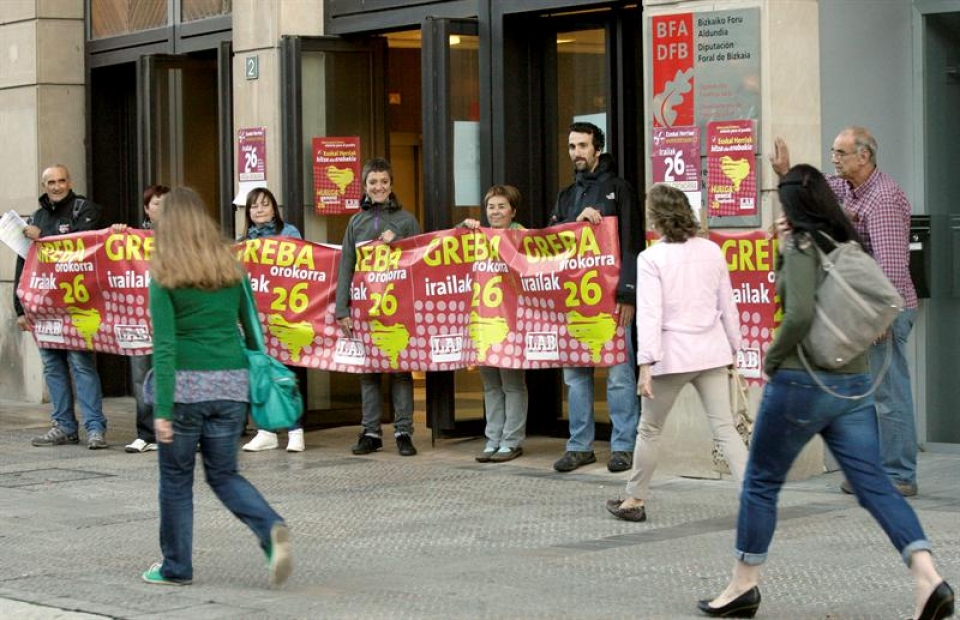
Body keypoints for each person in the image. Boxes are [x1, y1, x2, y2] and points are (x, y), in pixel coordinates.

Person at [698, 165, 953, 620]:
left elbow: (796, 316)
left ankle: (743, 585)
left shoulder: (801, 246)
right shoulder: (846, 243)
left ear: (793, 205)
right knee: (874, 483)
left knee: (760, 482)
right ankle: (927, 575)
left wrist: (772, 362)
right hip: (852, 382)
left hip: (802, 381)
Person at [143, 186, 291, 587]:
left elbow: (166, 346)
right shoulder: (231, 268)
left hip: (185, 389)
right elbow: (251, 327)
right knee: (224, 475)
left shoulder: (164, 273)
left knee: (175, 482)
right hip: (231, 384)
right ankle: (269, 526)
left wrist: (161, 410)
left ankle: (176, 567)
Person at [771, 130, 920, 497]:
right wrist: (786, 173)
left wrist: (879, 318)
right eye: (833, 152)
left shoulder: (883, 199)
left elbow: (891, 266)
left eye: (840, 153)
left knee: (888, 393)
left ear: (864, 156)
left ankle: (899, 475)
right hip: (863, 308)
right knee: (865, 395)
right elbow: (811, 200)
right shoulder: (844, 187)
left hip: (883, 307)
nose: (833, 159)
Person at [606, 184, 745, 522]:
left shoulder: (651, 257)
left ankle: (634, 500)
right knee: (725, 429)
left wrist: (645, 365)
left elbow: (650, 313)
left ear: (656, 217)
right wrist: (736, 348)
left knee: (650, 430)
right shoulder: (712, 250)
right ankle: (754, 500)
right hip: (711, 351)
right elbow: (727, 303)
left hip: (671, 355)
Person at [549, 122, 640, 473]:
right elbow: (552, 244)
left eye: (583, 146)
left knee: (619, 374)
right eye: (572, 146)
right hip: (574, 302)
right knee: (575, 375)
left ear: (597, 149)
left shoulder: (620, 189)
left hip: (613, 300)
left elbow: (632, 243)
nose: (576, 153)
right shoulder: (566, 195)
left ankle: (623, 445)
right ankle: (579, 446)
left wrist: (628, 294)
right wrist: (575, 220)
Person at [14, 164, 108, 449]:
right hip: (44, 306)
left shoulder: (85, 209)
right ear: (44, 186)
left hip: (76, 305)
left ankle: (95, 428)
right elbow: (23, 262)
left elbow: (82, 244)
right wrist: (20, 309)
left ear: (70, 181)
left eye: (61, 181)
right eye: (51, 182)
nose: (57, 186)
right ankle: (64, 425)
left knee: (81, 364)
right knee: (52, 366)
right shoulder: (38, 216)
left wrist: (42, 235)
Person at [335, 158, 421, 457]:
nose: (379, 187)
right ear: (365, 187)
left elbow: (420, 259)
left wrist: (398, 242)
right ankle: (370, 432)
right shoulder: (355, 222)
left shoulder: (407, 220)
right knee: (369, 370)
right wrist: (341, 309)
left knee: (400, 370)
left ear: (391, 184)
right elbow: (346, 264)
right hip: (364, 307)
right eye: (373, 182)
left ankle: (403, 432)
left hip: (398, 307)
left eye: (384, 181)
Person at [459, 185, 529, 463]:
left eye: (501, 206)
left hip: (512, 323)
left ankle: (512, 441)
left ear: (513, 210)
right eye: (491, 207)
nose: (496, 211)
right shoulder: (476, 236)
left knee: (512, 385)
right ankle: (493, 439)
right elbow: (447, 248)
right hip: (483, 322)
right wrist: (461, 227)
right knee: (490, 385)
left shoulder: (522, 236)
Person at [237, 187, 306, 453]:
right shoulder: (242, 242)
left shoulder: (290, 233)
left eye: (265, 205)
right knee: (261, 373)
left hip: (287, 317)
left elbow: (304, 269)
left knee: (286, 374)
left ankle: (295, 430)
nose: (259, 210)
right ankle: (266, 430)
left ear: (274, 208)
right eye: (254, 206)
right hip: (257, 321)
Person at [113, 184, 170, 453]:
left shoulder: (183, 236)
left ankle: (178, 431)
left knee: (174, 374)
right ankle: (146, 432)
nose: (163, 207)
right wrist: (117, 236)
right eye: (157, 203)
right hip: (138, 318)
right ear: (147, 208)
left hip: (170, 316)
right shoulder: (132, 239)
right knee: (141, 375)